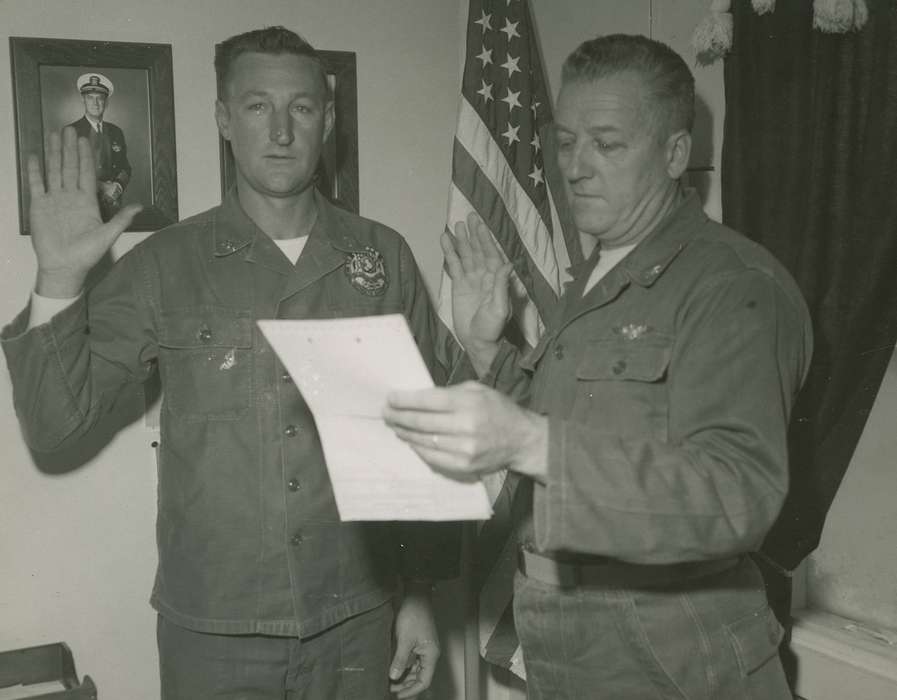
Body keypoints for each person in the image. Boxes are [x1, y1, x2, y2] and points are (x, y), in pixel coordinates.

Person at [3, 26, 461, 700]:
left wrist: (417, 593)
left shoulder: (380, 256)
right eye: (256, 107)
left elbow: (423, 441)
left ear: (327, 120)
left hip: (355, 617)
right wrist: (57, 282)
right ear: (223, 118)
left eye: (301, 108)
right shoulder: (165, 263)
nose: (280, 130)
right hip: (216, 632)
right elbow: (54, 429)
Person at [384, 34, 813, 699]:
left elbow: (737, 496)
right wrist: (486, 350)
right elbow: (575, 418)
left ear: (674, 154)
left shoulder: (732, 286)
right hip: (569, 633)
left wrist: (533, 443)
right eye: (564, 143)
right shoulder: (600, 266)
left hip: (670, 644)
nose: (576, 168)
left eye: (607, 145)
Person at [67, 72, 131, 221]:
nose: (95, 103)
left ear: (106, 102)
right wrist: (103, 187)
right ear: (83, 100)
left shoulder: (116, 132)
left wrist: (118, 186)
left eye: (100, 98)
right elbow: (69, 174)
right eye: (90, 98)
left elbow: (125, 167)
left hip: (113, 207)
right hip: (82, 209)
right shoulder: (71, 131)